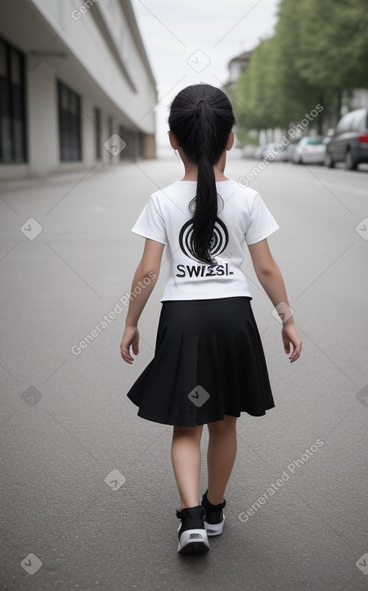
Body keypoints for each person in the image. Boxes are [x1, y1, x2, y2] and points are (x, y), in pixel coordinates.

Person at [120, 83, 302, 555]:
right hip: (233, 319)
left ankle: (192, 520)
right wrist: (287, 318)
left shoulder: (161, 201)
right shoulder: (248, 199)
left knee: (188, 425)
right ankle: (215, 507)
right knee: (225, 422)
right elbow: (265, 268)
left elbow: (147, 272)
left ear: (173, 139)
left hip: (183, 321)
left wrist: (130, 322)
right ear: (230, 140)